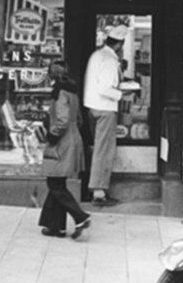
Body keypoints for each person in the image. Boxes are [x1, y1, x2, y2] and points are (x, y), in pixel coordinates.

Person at [38, 61, 91, 239]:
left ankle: (80, 217)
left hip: (62, 141)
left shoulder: (60, 92)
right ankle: (56, 227)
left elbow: (62, 120)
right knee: (57, 183)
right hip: (74, 138)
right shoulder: (72, 91)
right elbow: (79, 119)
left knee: (55, 184)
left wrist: (52, 134)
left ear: (52, 75)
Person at [83, 25, 129, 206]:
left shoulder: (97, 55)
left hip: (92, 107)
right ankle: (99, 193)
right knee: (104, 151)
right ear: (120, 44)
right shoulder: (110, 60)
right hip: (105, 108)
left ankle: (97, 189)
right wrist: (122, 94)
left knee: (97, 149)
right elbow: (105, 89)